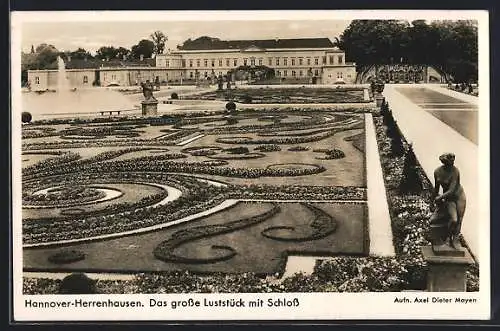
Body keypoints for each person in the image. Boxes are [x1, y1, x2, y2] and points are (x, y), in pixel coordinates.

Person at [430, 153, 466, 248]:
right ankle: (446, 237)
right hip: (449, 199)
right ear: (445, 163)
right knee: (454, 219)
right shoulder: (437, 172)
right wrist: (432, 201)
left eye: (453, 162)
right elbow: (436, 188)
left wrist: (440, 197)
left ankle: (455, 238)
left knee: (459, 219)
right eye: (450, 162)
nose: (452, 164)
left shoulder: (455, 171)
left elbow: (451, 190)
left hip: (459, 196)